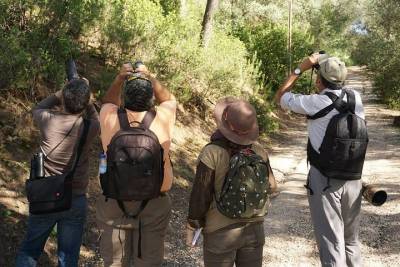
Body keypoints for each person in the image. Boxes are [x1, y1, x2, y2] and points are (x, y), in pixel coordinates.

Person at [275, 53, 365, 266]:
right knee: (351, 241)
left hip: (324, 180)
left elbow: (280, 96)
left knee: (331, 243)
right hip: (353, 177)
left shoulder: (315, 102)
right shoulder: (356, 98)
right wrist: (328, 61)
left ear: (318, 80)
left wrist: (300, 68)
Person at [96, 63, 176, 266]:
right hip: (154, 202)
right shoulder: (164, 117)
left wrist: (119, 79)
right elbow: (168, 98)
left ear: (124, 99)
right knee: (148, 262)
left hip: (114, 200)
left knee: (114, 262)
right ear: (151, 101)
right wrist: (149, 75)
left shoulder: (109, 116)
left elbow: (107, 101)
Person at [16, 79, 100, 267]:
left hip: (45, 195)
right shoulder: (90, 127)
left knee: (29, 252)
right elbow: (95, 117)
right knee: (68, 257)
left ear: (63, 99)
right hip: (74, 198)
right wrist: (89, 98)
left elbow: (38, 107)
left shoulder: (47, 120)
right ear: (85, 103)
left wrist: (60, 93)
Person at [186, 97, 277, 267]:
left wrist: (192, 226)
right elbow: (272, 186)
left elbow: (201, 196)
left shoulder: (212, 152)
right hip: (254, 230)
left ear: (227, 124)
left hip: (220, 233)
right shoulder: (259, 151)